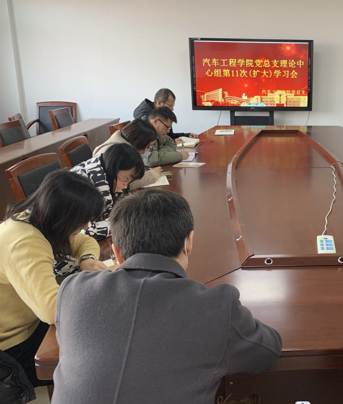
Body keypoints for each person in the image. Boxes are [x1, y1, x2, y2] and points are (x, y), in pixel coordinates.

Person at [52, 190, 282, 404]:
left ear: (117, 253)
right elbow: (268, 351)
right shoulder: (216, 307)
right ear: (189, 242)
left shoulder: (73, 291)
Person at [0, 170, 106, 389]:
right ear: (64, 217)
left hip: (29, 323)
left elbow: (85, 241)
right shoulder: (25, 242)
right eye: (83, 220)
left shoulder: (33, 220)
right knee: (95, 357)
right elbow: (52, 310)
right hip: (10, 349)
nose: (86, 226)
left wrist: (86, 260)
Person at [71, 143, 145, 240]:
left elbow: (124, 202)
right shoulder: (83, 184)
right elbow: (86, 230)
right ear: (114, 168)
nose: (126, 186)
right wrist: (125, 221)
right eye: (126, 179)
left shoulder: (106, 171)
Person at [93, 119, 162, 189]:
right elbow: (124, 184)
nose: (146, 150)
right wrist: (152, 175)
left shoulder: (122, 144)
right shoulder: (114, 152)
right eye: (148, 146)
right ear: (140, 142)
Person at [133, 88, 197, 141]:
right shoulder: (144, 117)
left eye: (173, 106)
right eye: (170, 106)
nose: (172, 109)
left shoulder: (162, 113)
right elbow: (156, 141)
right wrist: (173, 142)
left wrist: (186, 135)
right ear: (159, 103)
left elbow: (168, 136)